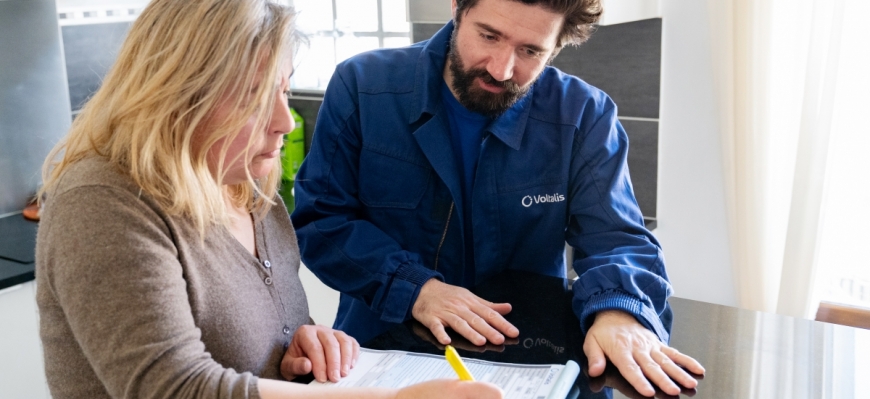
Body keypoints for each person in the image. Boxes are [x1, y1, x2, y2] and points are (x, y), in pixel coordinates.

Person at [34, 1, 502, 398]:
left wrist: (301, 347)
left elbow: (251, 352)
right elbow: (174, 386)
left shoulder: (248, 188)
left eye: (283, 88)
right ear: (177, 94)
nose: (286, 122)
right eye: (255, 97)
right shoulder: (101, 201)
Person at [291, 0, 705, 396]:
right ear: (458, 8)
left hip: (528, 364)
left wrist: (619, 311)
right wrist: (415, 289)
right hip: (381, 355)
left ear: (558, 45)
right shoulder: (362, 88)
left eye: (530, 51)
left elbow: (617, 237)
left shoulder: (585, 115)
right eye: (489, 36)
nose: (503, 69)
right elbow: (321, 221)